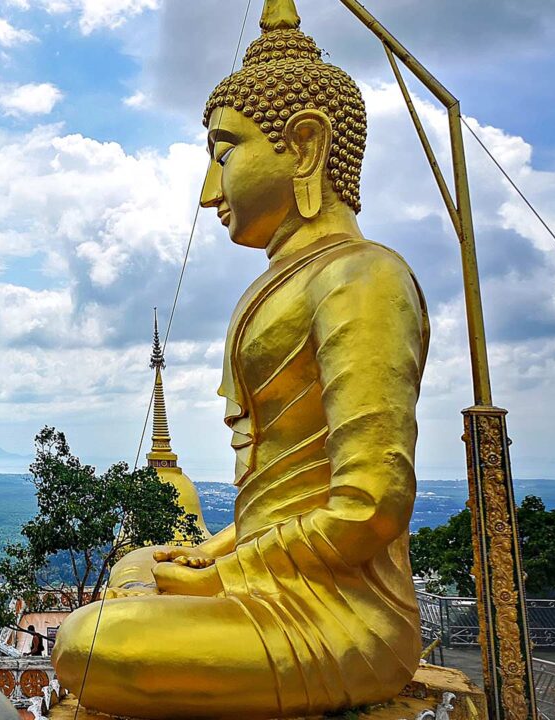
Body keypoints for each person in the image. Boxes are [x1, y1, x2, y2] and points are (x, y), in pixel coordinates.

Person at [51, 2, 428, 717]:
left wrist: (218, 572)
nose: (209, 191)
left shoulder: (363, 277)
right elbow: (269, 508)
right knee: (135, 567)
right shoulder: (279, 286)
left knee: (95, 642)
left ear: (306, 146)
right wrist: (209, 554)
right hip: (267, 581)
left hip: (343, 615)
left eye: (224, 153)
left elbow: (370, 507)